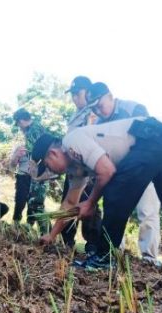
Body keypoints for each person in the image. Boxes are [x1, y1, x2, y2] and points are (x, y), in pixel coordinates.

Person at [31, 117, 162, 281]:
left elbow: (106, 171)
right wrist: (52, 235)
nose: (51, 172)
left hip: (149, 137)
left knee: (115, 190)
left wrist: (91, 203)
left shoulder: (71, 142)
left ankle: (104, 259)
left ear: (53, 154)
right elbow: (70, 203)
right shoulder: (75, 168)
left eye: (47, 166)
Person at [85, 82, 162, 265]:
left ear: (110, 96)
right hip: (118, 174)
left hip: (144, 170)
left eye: (100, 105)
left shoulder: (134, 109)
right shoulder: (100, 124)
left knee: (147, 212)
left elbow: (147, 142)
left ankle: (150, 258)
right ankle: (112, 253)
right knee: (114, 213)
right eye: (94, 108)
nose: (98, 111)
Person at [61, 76, 103, 253]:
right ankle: (67, 243)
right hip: (74, 168)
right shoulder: (75, 114)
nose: (75, 98)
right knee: (68, 203)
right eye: (73, 95)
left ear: (88, 92)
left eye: (78, 94)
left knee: (89, 205)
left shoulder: (93, 112)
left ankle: (93, 245)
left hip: (89, 168)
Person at [8, 108, 50, 233]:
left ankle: (46, 233)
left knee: (36, 204)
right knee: (32, 202)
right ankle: (36, 229)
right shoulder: (38, 127)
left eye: (18, 124)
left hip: (39, 173)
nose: (19, 128)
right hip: (38, 172)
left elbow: (37, 155)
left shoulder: (32, 130)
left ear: (21, 121)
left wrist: (33, 171)